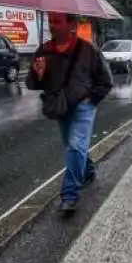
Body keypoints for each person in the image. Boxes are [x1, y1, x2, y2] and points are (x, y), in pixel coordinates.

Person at [26, 12, 114, 214]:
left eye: (57, 21)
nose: (52, 26)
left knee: (75, 146)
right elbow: (33, 83)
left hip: (83, 106)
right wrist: (38, 73)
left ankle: (69, 195)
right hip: (60, 106)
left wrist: (90, 99)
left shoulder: (88, 50)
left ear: (71, 24)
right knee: (74, 147)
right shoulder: (44, 50)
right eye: (50, 21)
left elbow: (106, 81)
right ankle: (88, 170)